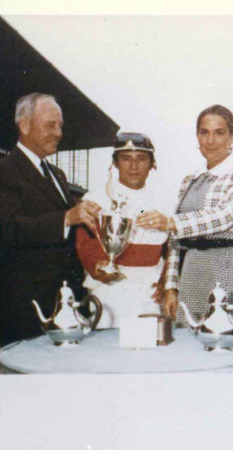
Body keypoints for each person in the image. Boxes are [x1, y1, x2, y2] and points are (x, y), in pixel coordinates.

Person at [137, 104, 233, 335]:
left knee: (232, 341)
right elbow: (177, 239)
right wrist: (172, 287)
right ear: (197, 136)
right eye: (204, 132)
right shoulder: (190, 180)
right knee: (188, 344)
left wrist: (170, 222)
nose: (211, 140)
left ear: (232, 136)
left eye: (219, 132)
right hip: (193, 271)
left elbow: (226, 215)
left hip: (231, 267)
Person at [0, 93, 101, 344]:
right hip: (28, 307)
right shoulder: (2, 171)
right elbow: (13, 229)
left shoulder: (57, 174)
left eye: (60, 125)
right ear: (24, 126)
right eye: (51, 125)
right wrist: (67, 218)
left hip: (66, 301)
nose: (59, 133)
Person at [75, 132, 168, 329]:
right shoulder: (95, 199)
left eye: (141, 159)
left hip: (148, 298)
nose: (133, 166)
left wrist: (167, 279)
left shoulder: (163, 205)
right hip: (108, 295)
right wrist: (97, 266)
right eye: (126, 159)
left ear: (152, 164)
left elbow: (172, 250)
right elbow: (84, 244)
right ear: (115, 163)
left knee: (146, 358)